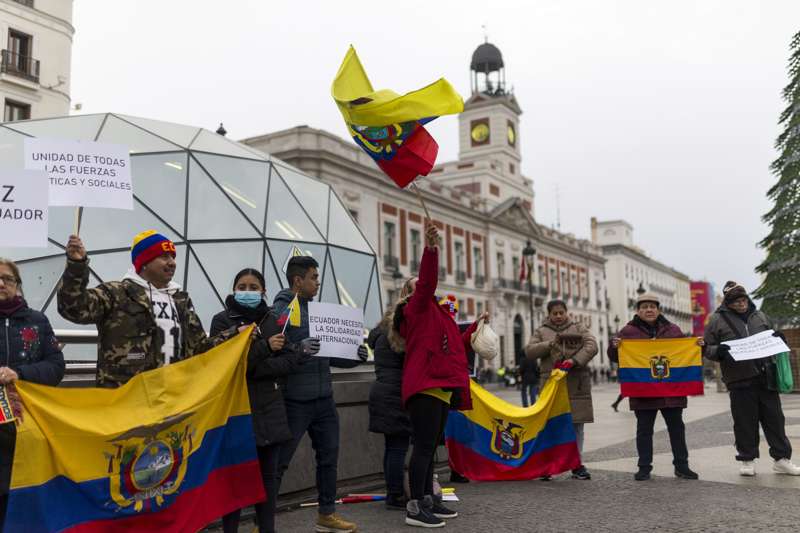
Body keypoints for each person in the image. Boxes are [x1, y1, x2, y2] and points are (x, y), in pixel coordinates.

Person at [388, 219, 483, 528]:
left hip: (440, 386)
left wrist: (473, 330)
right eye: (418, 285)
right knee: (424, 448)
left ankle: (428, 499)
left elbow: (452, 343)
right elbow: (427, 281)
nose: (426, 286)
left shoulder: (435, 311)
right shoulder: (415, 308)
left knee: (431, 451)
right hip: (426, 386)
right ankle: (415, 507)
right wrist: (430, 249)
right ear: (409, 293)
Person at [57, 231, 237, 388]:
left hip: (175, 398)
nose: (172, 262)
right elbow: (73, 308)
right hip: (127, 400)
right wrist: (76, 265)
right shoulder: (116, 293)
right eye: (164, 257)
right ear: (144, 262)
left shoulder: (180, 300)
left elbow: (200, 349)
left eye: (173, 257)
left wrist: (236, 335)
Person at [210, 268, 316, 533]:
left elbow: (289, 360)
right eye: (242, 286)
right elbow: (229, 365)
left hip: (269, 411)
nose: (247, 291)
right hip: (235, 411)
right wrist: (266, 349)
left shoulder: (272, 319)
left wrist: (259, 363)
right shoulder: (222, 321)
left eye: (253, 286)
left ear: (263, 290)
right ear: (234, 288)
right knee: (233, 482)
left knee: (268, 481)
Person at [272, 255, 368, 533]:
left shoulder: (319, 313)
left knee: (328, 458)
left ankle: (327, 514)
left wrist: (354, 356)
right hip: (295, 400)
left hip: (324, 398)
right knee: (279, 463)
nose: (317, 282)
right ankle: (263, 522)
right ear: (297, 280)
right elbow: (274, 348)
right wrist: (297, 347)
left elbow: (328, 354)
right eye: (313, 277)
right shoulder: (282, 310)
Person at [703, 281, 800, 477]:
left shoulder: (760, 316)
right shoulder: (716, 320)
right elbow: (706, 348)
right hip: (739, 379)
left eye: (743, 299)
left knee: (775, 420)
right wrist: (718, 351)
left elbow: (771, 337)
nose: (741, 303)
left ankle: (782, 459)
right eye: (736, 301)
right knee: (744, 421)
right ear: (727, 303)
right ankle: (747, 460)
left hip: (766, 377)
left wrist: (779, 338)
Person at [0, 258, 65, 530]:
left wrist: (20, 374)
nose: (1, 284)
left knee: (24, 497)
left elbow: (55, 367)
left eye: (7, 278)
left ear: (18, 285)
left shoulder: (38, 321)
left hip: (27, 426)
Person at [608, 293, 699, 481]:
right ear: (638, 310)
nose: (649, 310)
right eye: (644, 307)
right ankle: (644, 467)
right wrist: (614, 347)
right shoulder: (628, 332)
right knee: (644, 431)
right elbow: (615, 357)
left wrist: (699, 346)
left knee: (677, 430)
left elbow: (684, 352)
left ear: (658, 309)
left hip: (671, 392)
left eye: (652, 306)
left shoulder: (673, 330)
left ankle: (682, 466)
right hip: (644, 392)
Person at [525, 299, 598, 480]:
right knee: (550, 425)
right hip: (551, 384)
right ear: (548, 314)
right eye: (554, 313)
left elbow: (592, 345)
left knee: (576, 424)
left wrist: (574, 361)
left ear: (567, 312)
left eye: (561, 312)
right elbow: (529, 351)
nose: (558, 316)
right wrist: (550, 344)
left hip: (576, 382)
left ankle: (577, 463)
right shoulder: (541, 331)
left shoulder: (579, 328)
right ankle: (548, 465)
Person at [367, 287, 413, 510]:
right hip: (396, 393)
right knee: (398, 448)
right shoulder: (398, 335)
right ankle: (395, 495)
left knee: (391, 447)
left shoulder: (379, 333)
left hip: (380, 391)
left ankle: (392, 491)